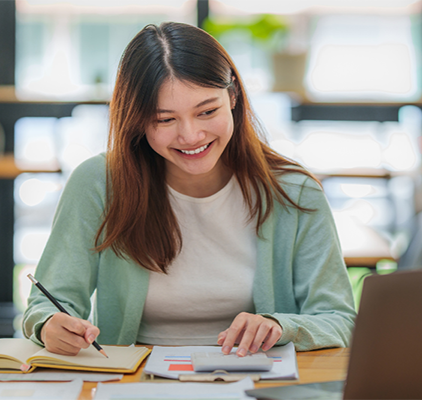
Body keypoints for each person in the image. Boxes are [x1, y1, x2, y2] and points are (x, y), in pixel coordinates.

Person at [22, 21, 356, 357]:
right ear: (137, 120)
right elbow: (48, 302)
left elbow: (339, 318)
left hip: (259, 380)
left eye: (207, 111)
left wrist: (282, 327)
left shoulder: (294, 192)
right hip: (134, 383)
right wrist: (49, 324)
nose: (191, 136)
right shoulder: (99, 183)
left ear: (234, 96)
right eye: (165, 120)